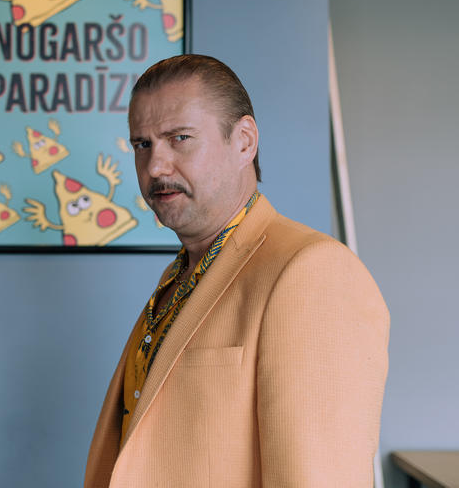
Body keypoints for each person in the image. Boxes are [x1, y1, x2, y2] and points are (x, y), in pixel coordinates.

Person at [84, 54, 389, 488]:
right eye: (142, 145)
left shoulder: (312, 271)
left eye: (180, 138)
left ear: (244, 142)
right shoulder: (178, 277)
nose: (155, 167)